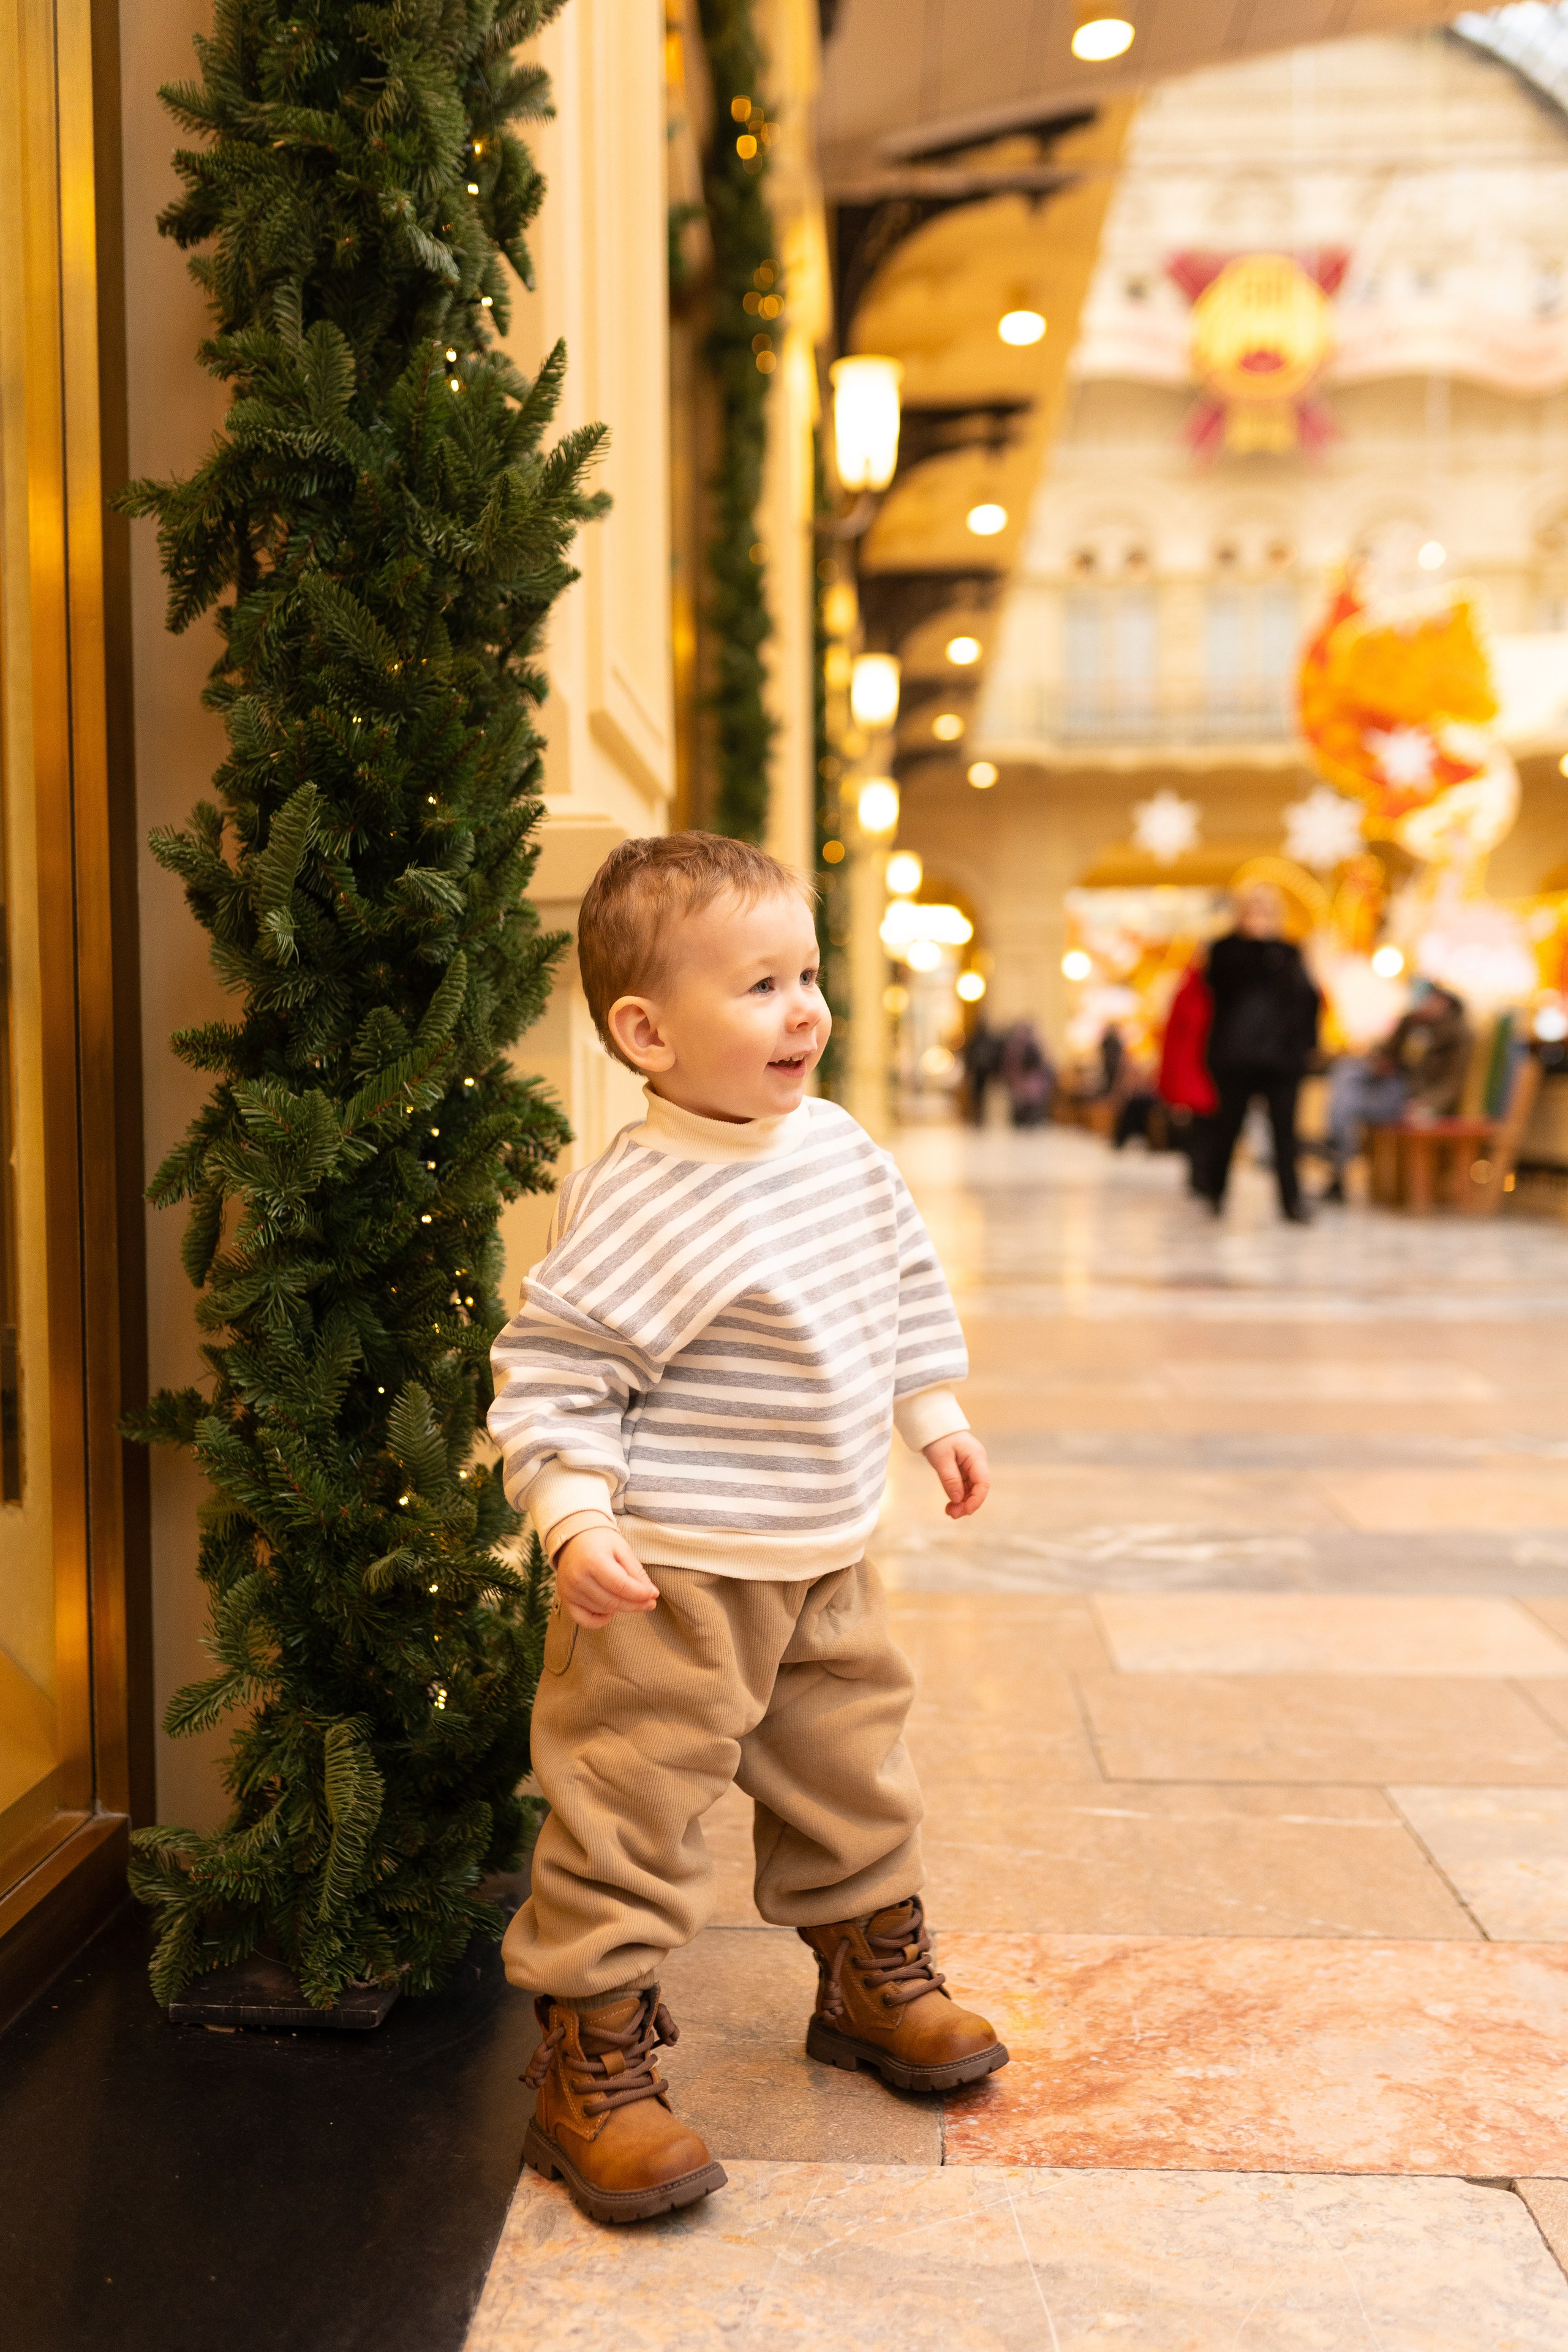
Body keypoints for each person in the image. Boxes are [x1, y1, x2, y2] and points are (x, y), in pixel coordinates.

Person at [488, 832, 1006, 2226]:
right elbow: (557, 1365)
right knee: (629, 1801)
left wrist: (932, 1405)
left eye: (808, 974)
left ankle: (866, 1974)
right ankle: (588, 2061)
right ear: (643, 1030)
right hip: (675, 1577)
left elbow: (895, 1279)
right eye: (761, 984)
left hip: (823, 1549)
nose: (805, 1009)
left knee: (849, 1763)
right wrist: (569, 1509)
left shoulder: (834, 1144)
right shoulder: (645, 1197)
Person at [1200, 881, 1320, 1223]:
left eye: (1265, 910)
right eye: (1253, 909)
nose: (1259, 917)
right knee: (1228, 1128)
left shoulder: (1290, 952)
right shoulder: (1224, 951)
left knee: (1285, 1134)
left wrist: (1306, 1048)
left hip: (1281, 1060)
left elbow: (1306, 1001)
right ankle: (1216, 1190)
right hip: (1236, 1058)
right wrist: (1256, 946)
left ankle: (1291, 1201)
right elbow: (1221, 987)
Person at [1322, 983, 1472, 1201]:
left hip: (1411, 1099)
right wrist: (1381, 1060)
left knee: (1346, 1100)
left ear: (1443, 1002)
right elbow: (1386, 1054)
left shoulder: (1458, 1033)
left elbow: (1453, 1083)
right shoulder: (1413, 1024)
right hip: (1390, 1087)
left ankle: (1338, 1159)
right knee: (1346, 1071)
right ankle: (1339, 1147)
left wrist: (1426, 1105)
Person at [1158, 949, 1219, 1194]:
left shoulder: (1214, 989)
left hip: (1209, 1067)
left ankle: (1205, 1174)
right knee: (1200, 1125)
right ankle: (1200, 1175)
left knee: (1209, 1125)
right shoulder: (1189, 991)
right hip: (1194, 1068)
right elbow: (1175, 1036)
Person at [1000, 1018, 1055, 1126]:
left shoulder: (1015, 1045)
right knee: (1026, 1105)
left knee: (1025, 1105)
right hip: (1026, 1080)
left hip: (1022, 1080)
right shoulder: (1029, 1044)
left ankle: (1026, 1123)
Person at [960, 1012, 1003, 1125]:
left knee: (980, 1095)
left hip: (981, 1072)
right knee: (979, 1095)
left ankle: (979, 1116)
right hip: (981, 1072)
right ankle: (978, 1116)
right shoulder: (981, 1039)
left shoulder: (978, 1038)